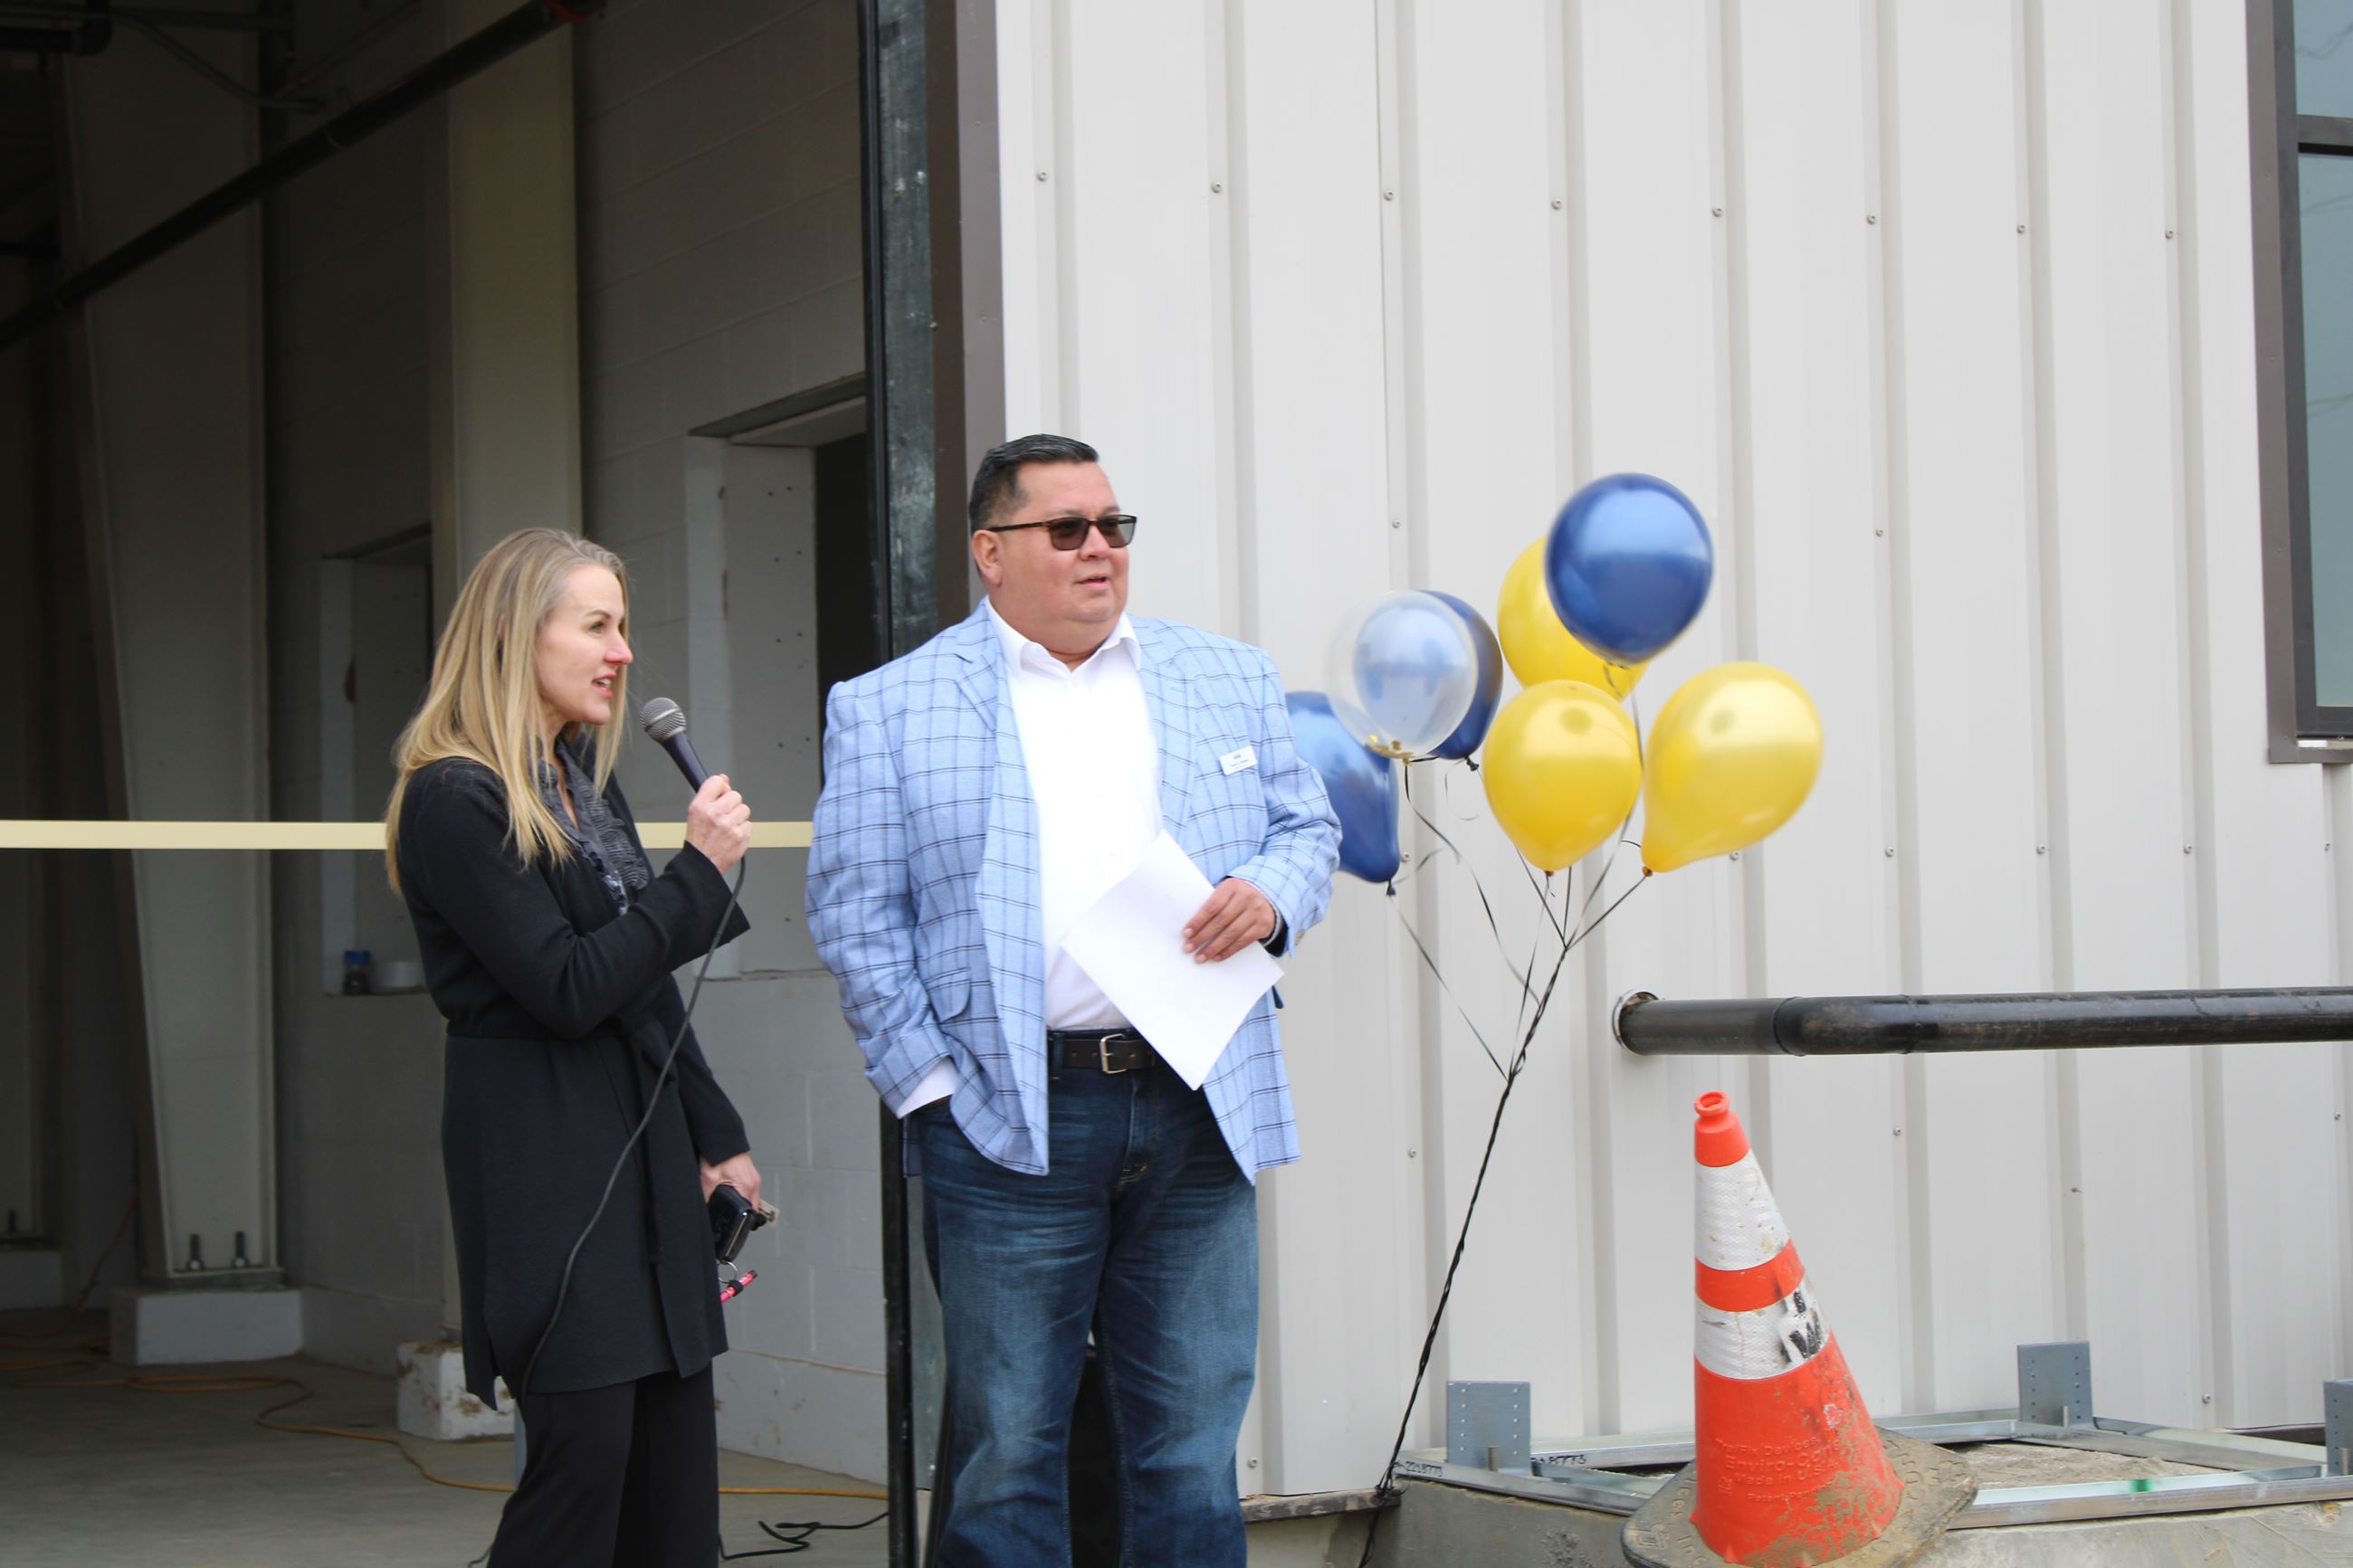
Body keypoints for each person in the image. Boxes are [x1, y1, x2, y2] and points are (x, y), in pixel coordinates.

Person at [806, 434, 1341, 1567]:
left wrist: (1272, 895)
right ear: (990, 553)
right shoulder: (889, 708)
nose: (1099, 548)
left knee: (1191, 1449)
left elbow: (1307, 828)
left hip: (1198, 1104)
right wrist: (934, 1090)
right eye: (1067, 529)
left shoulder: (1223, 674)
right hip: (1008, 1119)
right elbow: (857, 916)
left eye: (1113, 526)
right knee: (1007, 1452)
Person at [384, 527, 761, 1567]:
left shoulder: (574, 782)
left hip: (638, 1147)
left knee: (675, 1481)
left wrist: (716, 1132)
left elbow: (638, 991)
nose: (622, 652)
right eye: (596, 625)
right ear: (517, 636)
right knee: (582, 1465)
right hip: (545, 1159)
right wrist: (697, 873)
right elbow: (566, 984)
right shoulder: (453, 797)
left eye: (622, 626)